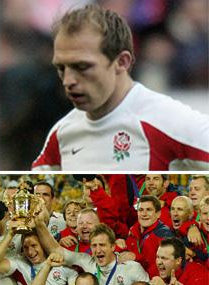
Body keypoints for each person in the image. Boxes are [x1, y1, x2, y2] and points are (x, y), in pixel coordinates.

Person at [32, 4, 209, 171]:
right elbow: (33, 198)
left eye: (82, 67)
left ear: (122, 62)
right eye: (61, 68)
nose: (67, 81)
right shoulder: (62, 134)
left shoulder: (168, 122)